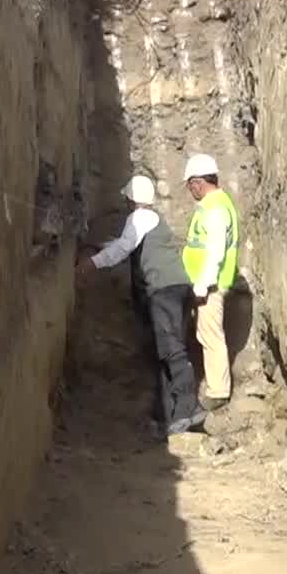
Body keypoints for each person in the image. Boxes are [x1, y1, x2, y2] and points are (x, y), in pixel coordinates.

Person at [76, 175, 205, 436]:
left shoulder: (141, 218)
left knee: (171, 349)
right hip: (172, 289)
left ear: (131, 200)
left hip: (165, 290)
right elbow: (125, 243)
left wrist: (92, 263)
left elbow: (123, 247)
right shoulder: (149, 220)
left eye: (127, 199)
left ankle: (188, 409)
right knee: (163, 349)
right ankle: (170, 417)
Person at [181, 153, 239, 409]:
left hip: (210, 286)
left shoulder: (215, 209)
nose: (190, 191)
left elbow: (215, 251)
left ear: (197, 183)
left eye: (190, 185)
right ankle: (216, 387)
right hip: (206, 283)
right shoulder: (216, 204)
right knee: (206, 334)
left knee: (210, 336)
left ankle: (217, 392)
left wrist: (203, 284)